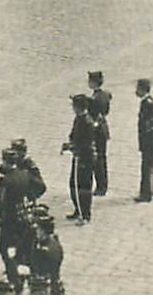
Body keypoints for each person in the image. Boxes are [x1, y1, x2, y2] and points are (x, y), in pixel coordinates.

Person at [62, 95, 96, 224]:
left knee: (84, 187)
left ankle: (85, 215)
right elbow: (73, 135)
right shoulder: (78, 119)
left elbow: (86, 143)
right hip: (78, 157)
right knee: (74, 185)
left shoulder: (87, 122)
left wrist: (73, 147)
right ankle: (78, 209)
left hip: (85, 158)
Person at [135, 78, 153, 202]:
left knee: (147, 167)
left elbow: (149, 122)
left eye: (138, 88)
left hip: (149, 140)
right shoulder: (150, 101)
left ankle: (146, 193)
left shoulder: (147, 103)